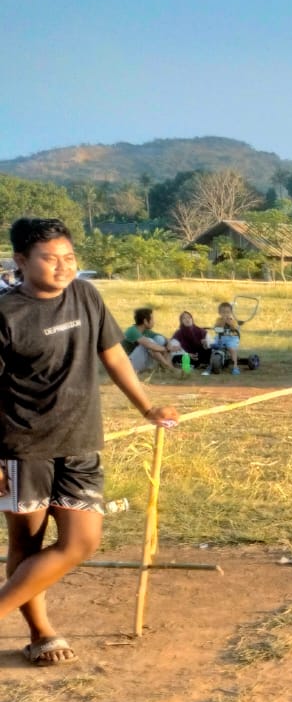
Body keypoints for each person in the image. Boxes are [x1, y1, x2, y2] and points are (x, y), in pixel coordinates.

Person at [0, 218, 178, 666]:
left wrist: (147, 407)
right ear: (21, 261)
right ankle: (41, 634)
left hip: (80, 439)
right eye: (49, 258)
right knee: (27, 544)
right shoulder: (6, 314)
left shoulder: (86, 295)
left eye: (70, 257)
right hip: (22, 446)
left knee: (81, 542)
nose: (63, 267)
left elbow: (113, 354)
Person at [121, 307, 184, 374]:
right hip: (126, 365)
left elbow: (164, 338)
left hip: (138, 361)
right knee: (150, 343)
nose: (154, 321)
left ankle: (164, 367)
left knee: (160, 339)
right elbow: (150, 345)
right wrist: (168, 349)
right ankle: (168, 367)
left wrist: (169, 344)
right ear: (145, 321)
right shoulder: (132, 331)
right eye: (152, 319)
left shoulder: (145, 331)